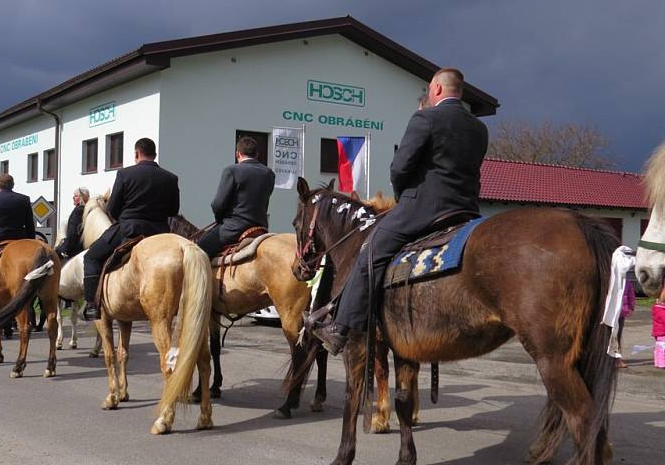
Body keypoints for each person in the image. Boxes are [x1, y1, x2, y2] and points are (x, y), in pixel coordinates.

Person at [313, 68, 489, 355]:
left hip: (425, 208)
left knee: (370, 250)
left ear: (438, 90)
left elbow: (400, 167)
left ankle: (340, 328)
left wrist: (402, 198)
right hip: (466, 210)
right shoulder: (479, 127)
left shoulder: (426, 117)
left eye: (431, 88)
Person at [81, 138, 179, 320]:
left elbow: (112, 209)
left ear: (136, 154)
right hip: (161, 232)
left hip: (129, 230)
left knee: (91, 257)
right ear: (154, 154)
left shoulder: (125, 174)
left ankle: (91, 305)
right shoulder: (170, 177)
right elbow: (174, 210)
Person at [196, 136, 275, 258]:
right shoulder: (269, 173)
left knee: (197, 252)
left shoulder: (232, 170)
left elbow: (217, 204)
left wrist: (220, 219)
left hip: (234, 228)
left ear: (238, 154)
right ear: (257, 154)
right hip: (260, 227)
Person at [55, 187, 90, 260]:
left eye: (76, 196)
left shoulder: (79, 211)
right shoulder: (87, 209)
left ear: (82, 197)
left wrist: (64, 249)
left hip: (74, 251)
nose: (73, 197)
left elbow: (73, 233)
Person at [616, 280, 636, 368]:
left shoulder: (627, 282)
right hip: (610, 313)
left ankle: (617, 359)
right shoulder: (611, 279)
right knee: (609, 336)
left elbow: (631, 295)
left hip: (621, 313)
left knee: (617, 336)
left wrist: (631, 307)